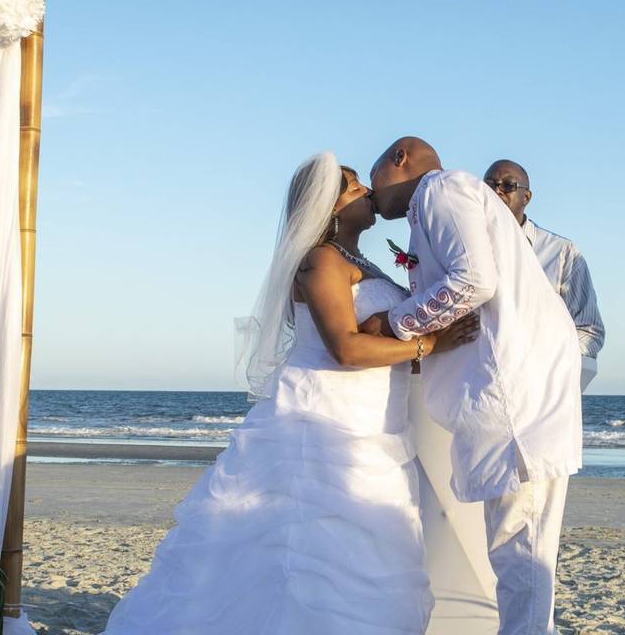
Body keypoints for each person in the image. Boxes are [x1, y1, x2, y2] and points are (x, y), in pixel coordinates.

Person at [101, 153, 478, 635]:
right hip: (319, 422)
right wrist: (428, 344)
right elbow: (344, 347)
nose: (365, 189)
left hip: (370, 425)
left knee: (363, 548)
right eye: (352, 185)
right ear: (329, 207)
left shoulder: (362, 263)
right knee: (306, 554)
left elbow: (380, 333)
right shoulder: (321, 259)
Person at [368, 137, 582, 635]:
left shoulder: (441, 189)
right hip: (516, 399)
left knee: (521, 558)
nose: (372, 198)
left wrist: (399, 323)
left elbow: (473, 281)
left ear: (400, 159)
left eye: (371, 177)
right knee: (519, 557)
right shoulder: (440, 203)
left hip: (516, 406)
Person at [483, 159, 604, 391]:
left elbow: (590, 330)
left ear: (526, 197)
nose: (497, 190)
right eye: (490, 185)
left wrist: (545, 362)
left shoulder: (561, 253)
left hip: (541, 390)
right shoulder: (465, 248)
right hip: (479, 389)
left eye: (508, 185)